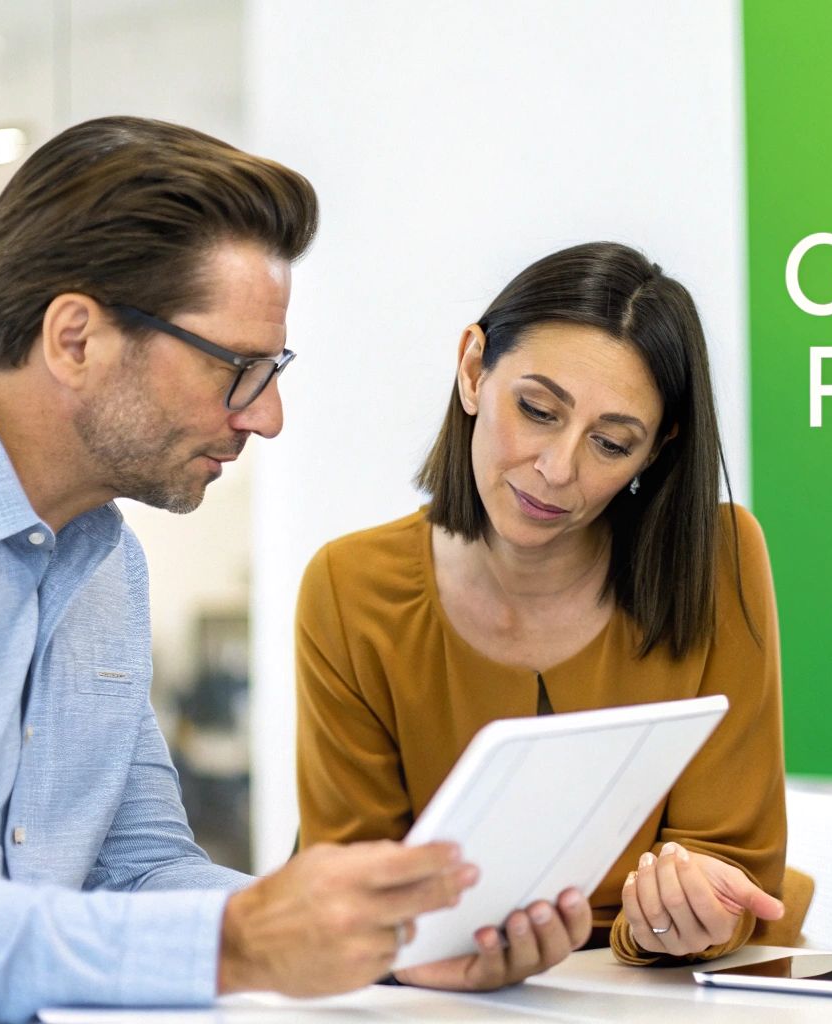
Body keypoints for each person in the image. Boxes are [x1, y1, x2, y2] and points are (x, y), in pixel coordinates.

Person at [0, 116, 481, 1024]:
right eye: (238, 368)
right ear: (75, 338)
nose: (266, 416)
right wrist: (235, 942)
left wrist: (390, 940)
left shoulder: (104, 557)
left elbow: (139, 868)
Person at [295, 241, 792, 986]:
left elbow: (732, 860)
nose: (558, 470)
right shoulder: (351, 587)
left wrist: (689, 915)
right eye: (536, 410)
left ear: (658, 451)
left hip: (658, 991)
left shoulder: (716, 560)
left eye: (611, 442)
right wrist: (426, 963)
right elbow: (349, 886)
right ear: (472, 369)